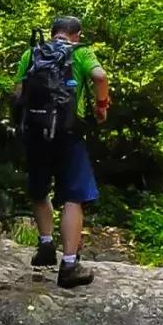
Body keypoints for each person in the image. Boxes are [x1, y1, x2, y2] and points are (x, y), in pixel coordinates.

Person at [13, 16, 110, 288]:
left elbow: (18, 91)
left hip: (35, 131)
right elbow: (100, 77)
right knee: (73, 196)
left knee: (40, 189)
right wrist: (101, 106)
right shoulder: (80, 52)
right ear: (76, 35)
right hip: (68, 132)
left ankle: (45, 245)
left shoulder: (31, 53)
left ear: (53, 32)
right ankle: (69, 264)